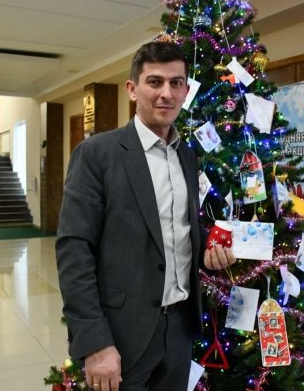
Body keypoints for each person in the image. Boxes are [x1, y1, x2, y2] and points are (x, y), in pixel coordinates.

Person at [56, 41, 236, 391]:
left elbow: (176, 228)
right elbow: (74, 251)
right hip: (121, 335)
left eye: (176, 83)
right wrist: (95, 343)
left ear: (186, 91)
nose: (166, 94)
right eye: (155, 82)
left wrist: (207, 252)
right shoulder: (97, 154)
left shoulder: (186, 156)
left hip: (179, 329)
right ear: (132, 89)